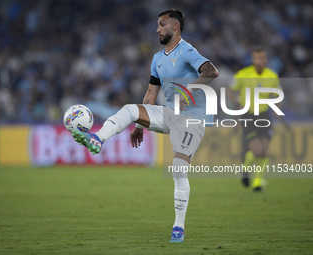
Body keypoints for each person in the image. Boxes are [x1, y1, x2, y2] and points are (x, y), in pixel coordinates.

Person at [72, 9, 218, 242]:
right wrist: (140, 125)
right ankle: (97, 139)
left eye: (162, 25)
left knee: (179, 170)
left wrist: (188, 92)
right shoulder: (158, 59)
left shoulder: (188, 51)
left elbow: (211, 71)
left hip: (192, 119)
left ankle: (178, 227)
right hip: (169, 113)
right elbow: (151, 93)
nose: (157, 29)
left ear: (175, 27)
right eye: (157, 25)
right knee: (130, 109)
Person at [228, 46, 282, 192]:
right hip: (248, 115)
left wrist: (277, 108)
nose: (259, 61)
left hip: (264, 115)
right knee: (257, 150)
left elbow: (277, 94)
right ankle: (246, 168)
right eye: (256, 58)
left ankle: (257, 183)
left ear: (265, 59)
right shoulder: (243, 74)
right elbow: (230, 90)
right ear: (252, 59)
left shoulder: (272, 76)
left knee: (264, 151)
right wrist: (238, 104)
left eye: (261, 58)